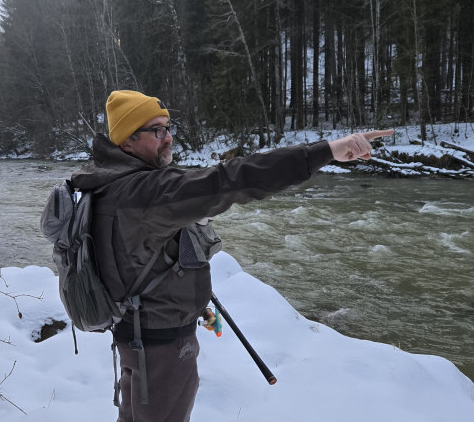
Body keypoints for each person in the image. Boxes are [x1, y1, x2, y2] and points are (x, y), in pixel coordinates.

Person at [70, 90, 393, 422]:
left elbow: (134, 260)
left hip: (134, 337)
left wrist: (192, 302)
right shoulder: (147, 192)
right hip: (161, 350)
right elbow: (235, 177)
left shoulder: (105, 184)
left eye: (169, 128)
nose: (168, 139)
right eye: (157, 131)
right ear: (127, 140)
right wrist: (326, 151)